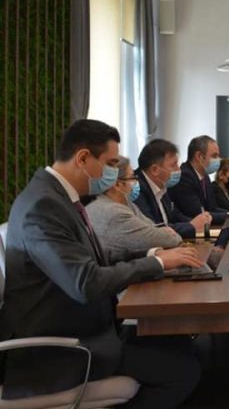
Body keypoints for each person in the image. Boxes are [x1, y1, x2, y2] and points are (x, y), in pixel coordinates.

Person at [0, 119, 203, 406]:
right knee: (183, 370)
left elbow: (96, 258)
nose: (113, 173)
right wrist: (157, 264)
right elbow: (86, 283)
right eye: (110, 163)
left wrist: (153, 257)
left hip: (87, 328)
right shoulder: (42, 207)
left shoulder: (57, 197)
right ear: (83, 158)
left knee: (178, 342)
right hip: (57, 352)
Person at [87, 156, 182, 261]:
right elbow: (169, 240)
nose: (136, 182)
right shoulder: (114, 213)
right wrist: (168, 234)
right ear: (118, 184)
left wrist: (158, 231)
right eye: (132, 177)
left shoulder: (127, 202)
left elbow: (151, 227)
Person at [134, 138, 210, 239]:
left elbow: (174, 215)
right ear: (155, 170)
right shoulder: (136, 190)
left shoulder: (162, 185)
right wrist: (191, 226)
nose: (179, 169)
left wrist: (198, 221)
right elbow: (154, 229)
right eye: (174, 165)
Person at [169, 135, 229, 225]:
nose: (218, 160)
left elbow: (212, 208)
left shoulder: (205, 176)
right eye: (214, 156)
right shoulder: (184, 176)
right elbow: (197, 214)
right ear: (199, 156)